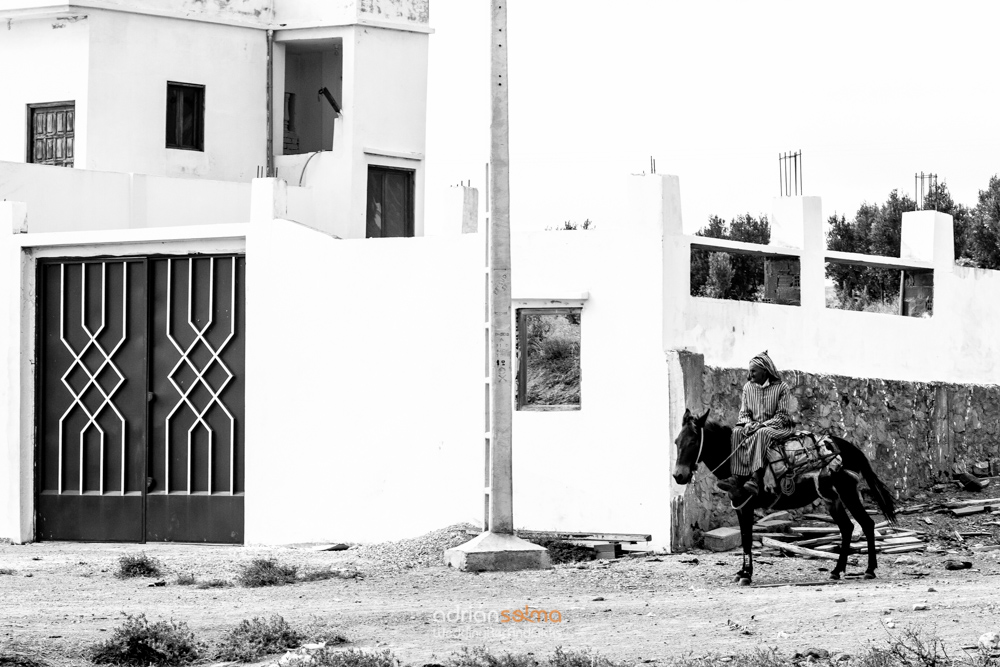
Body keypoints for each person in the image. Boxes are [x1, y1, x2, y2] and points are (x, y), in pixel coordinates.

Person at [717, 351, 795, 504]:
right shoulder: (748, 388)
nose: (750, 374)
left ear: (765, 371)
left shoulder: (782, 388)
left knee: (762, 433)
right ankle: (737, 477)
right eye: (749, 371)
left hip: (778, 427)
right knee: (737, 432)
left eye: (753, 371)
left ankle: (755, 477)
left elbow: (782, 415)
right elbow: (744, 412)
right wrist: (747, 424)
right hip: (754, 426)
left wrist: (761, 425)